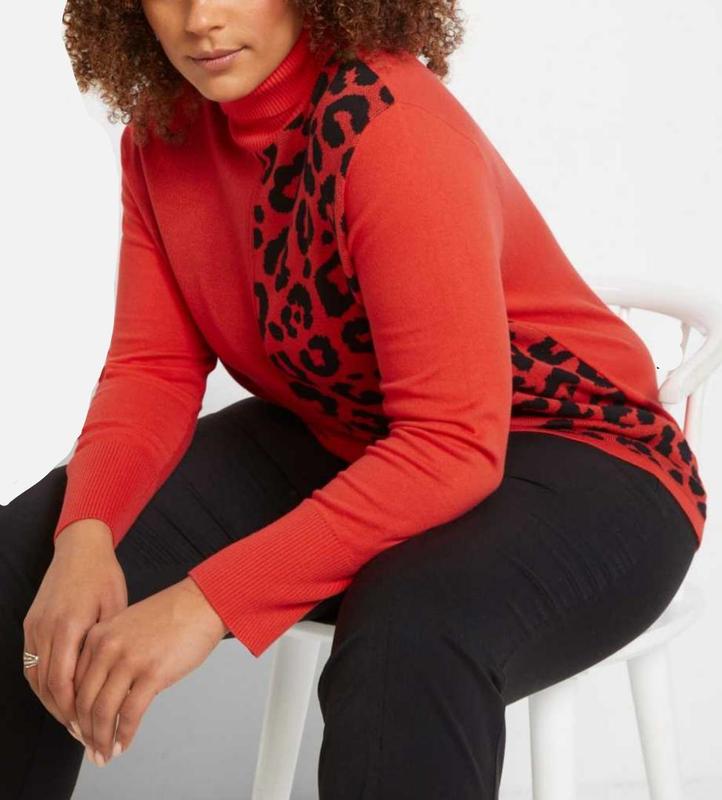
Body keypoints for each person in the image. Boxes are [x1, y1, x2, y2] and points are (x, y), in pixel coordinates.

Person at [0, 1, 707, 797]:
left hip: (583, 456)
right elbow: (153, 370)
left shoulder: (390, 125)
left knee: (411, 632)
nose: (201, 19)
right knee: (26, 559)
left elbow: (451, 443)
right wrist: (83, 538)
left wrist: (205, 603)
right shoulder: (163, 135)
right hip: (355, 429)